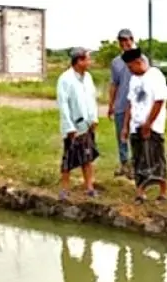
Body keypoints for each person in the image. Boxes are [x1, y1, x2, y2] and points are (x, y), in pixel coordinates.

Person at [120, 48, 167, 203]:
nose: (130, 70)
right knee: (139, 159)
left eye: (131, 66)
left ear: (139, 62)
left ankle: (163, 193)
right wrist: (125, 126)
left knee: (156, 158)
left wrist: (148, 124)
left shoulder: (155, 76)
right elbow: (130, 102)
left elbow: (159, 101)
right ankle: (140, 193)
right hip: (135, 125)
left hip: (152, 126)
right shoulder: (134, 78)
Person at [56, 47, 99, 200]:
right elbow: (63, 104)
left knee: (87, 157)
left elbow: (92, 99)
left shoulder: (88, 77)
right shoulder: (65, 79)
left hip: (87, 124)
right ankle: (65, 189)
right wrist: (69, 127)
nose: (90, 62)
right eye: (87, 59)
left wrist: (94, 118)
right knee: (68, 157)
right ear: (79, 61)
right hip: (73, 125)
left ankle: (89, 187)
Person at [107, 29, 147, 178]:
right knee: (121, 136)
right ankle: (125, 165)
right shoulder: (116, 62)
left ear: (132, 39)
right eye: (121, 41)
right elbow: (114, 84)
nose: (124, 43)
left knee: (136, 136)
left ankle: (138, 165)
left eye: (127, 40)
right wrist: (111, 104)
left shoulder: (141, 59)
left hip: (137, 105)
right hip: (121, 104)